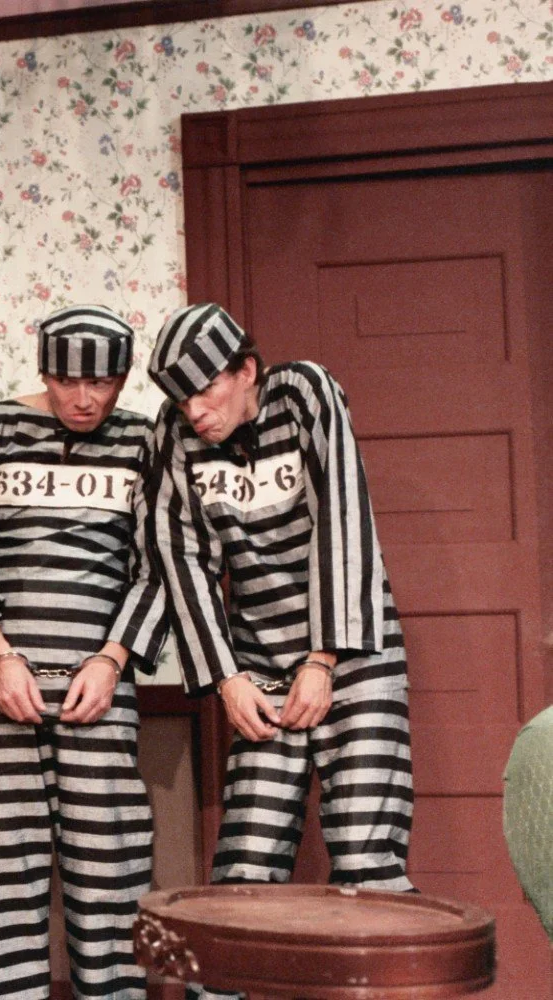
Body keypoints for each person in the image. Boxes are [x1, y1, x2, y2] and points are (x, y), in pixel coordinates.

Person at [146, 303, 413, 1000]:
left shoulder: (305, 394)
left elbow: (343, 518)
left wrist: (322, 660)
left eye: (209, 390)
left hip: (355, 659)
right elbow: (182, 562)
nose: (196, 410)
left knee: (367, 866)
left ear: (247, 371)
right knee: (242, 876)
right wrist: (228, 680)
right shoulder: (174, 440)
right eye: (181, 397)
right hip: (258, 671)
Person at [0, 306, 168, 999]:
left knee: (112, 877)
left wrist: (112, 659)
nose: (83, 399)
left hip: (99, 690)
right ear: (44, 372)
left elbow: (163, 564)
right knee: (5, 884)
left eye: (102, 382)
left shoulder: (145, 442)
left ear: (123, 378)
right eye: (68, 381)